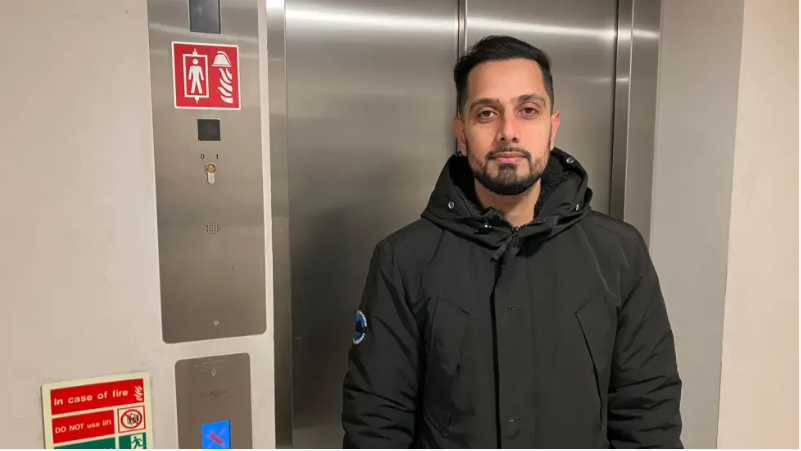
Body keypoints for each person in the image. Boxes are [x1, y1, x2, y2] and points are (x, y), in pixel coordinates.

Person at [341, 35, 682, 449]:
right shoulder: (403, 261)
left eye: (528, 110)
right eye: (486, 113)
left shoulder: (620, 254)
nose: (508, 131)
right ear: (461, 133)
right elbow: (376, 424)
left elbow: (648, 416)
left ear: (552, 127)